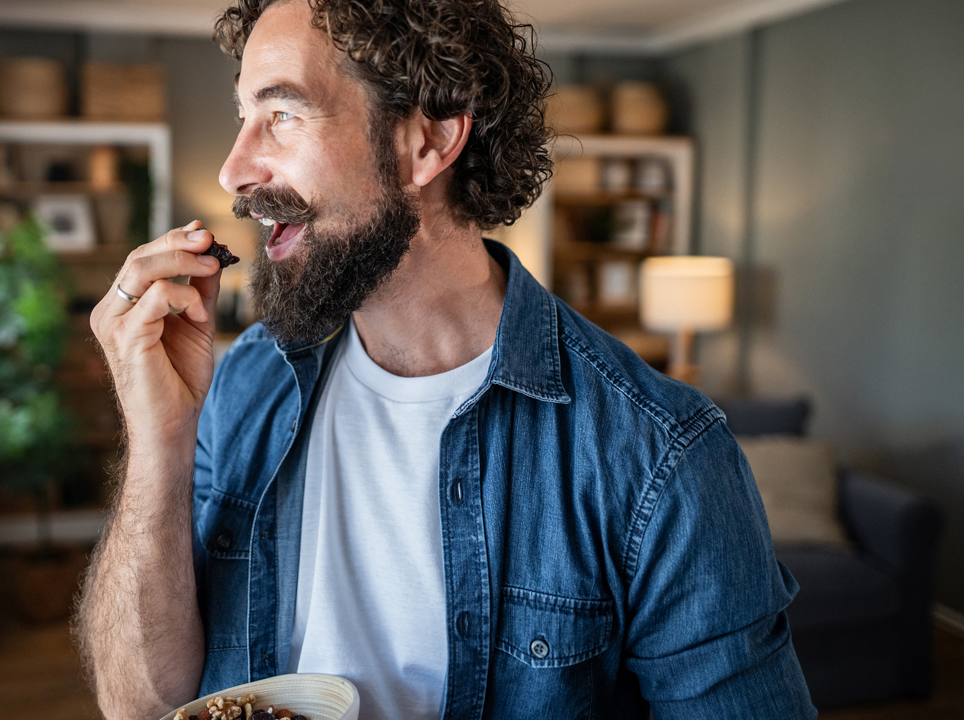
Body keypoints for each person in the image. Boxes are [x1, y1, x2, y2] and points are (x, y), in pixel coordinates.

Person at [77, 0, 817, 717]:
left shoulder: (661, 458)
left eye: (283, 114)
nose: (234, 171)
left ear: (426, 144)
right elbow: (142, 704)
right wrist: (158, 445)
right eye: (245, 117)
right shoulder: (247, 382)